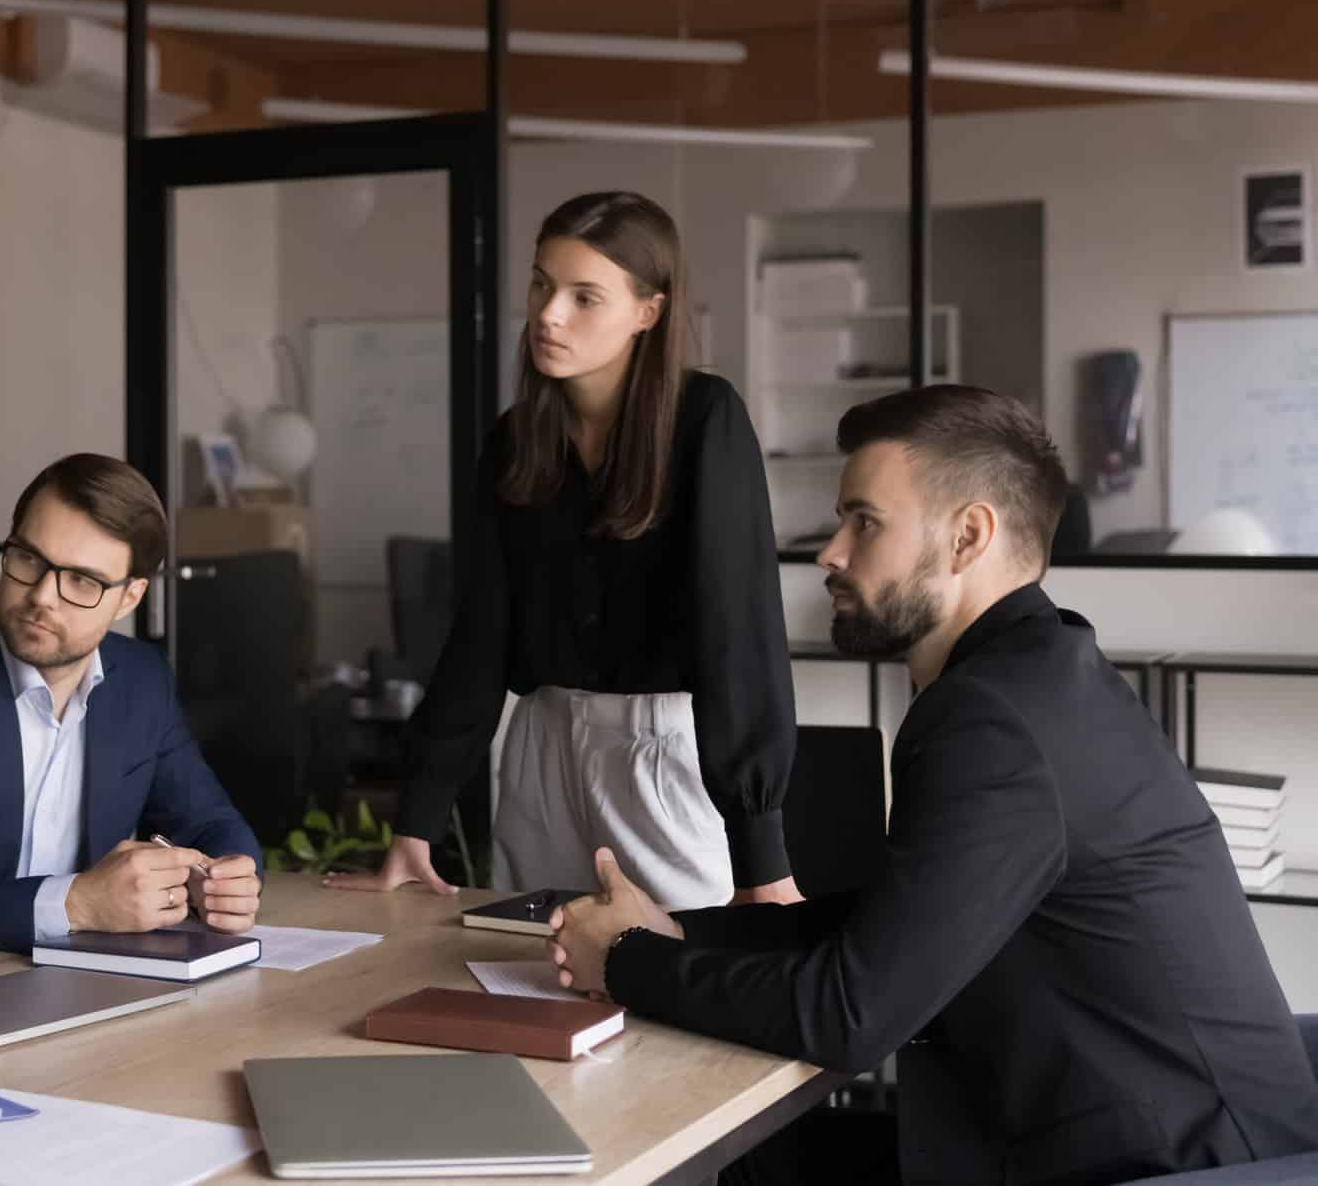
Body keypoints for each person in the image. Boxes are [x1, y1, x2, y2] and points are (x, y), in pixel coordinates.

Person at [547, 386, 1318, 1185]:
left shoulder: (995, 721)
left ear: (968, 536)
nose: (830, 553)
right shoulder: (1037, 675)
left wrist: (628, 961)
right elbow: (900, 922)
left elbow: (851, 1014)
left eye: (865, 522)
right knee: (747, 1160)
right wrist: (676, 934)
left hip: (1165, 1167)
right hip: (1090, 1131)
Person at [330, 191, 799, 909]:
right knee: (528, 961)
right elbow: (480, 636)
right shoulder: (515, 440)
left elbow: (739, 630)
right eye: (541, 284)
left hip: (660, 753)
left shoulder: (705, 419)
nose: (549, 314)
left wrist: (762, 862)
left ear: (648, 311)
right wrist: (417, 819)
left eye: (585, 297)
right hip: (538, 747)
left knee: (684, 967)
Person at [0, 453, 265, 964]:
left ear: (130, 597)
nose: (43, 596)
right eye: (28, 559)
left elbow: (209, 822)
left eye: (83, 580)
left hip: (87, 979)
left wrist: (227, 880)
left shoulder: (140, 681)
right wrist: (75, 903)